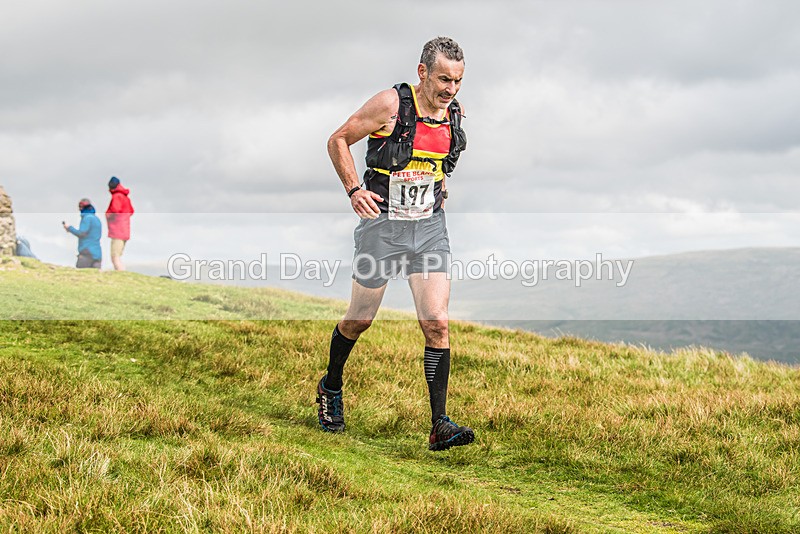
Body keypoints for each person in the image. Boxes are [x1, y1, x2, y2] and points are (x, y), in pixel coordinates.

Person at [317, 37, 472, 451]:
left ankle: (439, 424)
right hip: (382, 227)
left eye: (457, 81)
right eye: (443, 79)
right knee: (360, 319)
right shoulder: (391, 104)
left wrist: (435, 190)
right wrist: (354, 190)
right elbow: (338, 140)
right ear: (423, 72)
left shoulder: (453, 114)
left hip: (428, 229)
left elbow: (438, 164)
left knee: (436, 321)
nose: (450, 89)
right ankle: (331, 386)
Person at [105, 176, 134, 271]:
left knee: (114, 256)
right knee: (117, 256)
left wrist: (108, 215)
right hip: (125, 230)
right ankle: (121, 273)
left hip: (117, 230)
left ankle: (121, 274)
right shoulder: (125, 197)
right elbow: (131, 211)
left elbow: (115, 210)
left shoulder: (117, 196)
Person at [63, 198, 102, 269]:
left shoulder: (87, 218)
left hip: (87, 252)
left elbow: (82, 233)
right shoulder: (96, 219)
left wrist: (69, 228)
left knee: (81, 275)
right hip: (97, 253)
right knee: (96, 277)